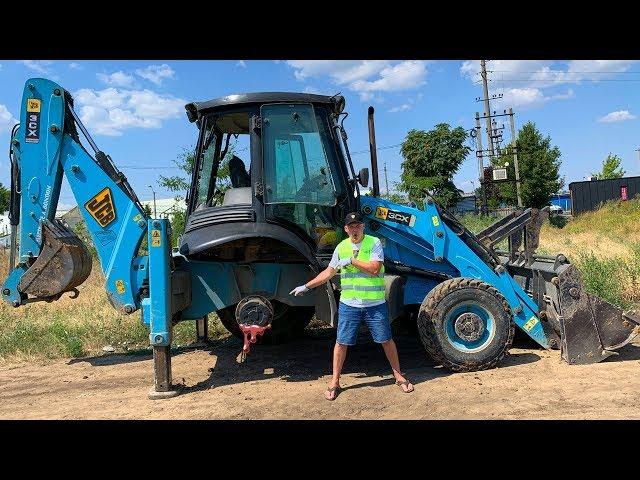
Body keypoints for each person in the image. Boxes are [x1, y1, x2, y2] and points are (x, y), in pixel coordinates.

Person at [290, 212, 414, 400]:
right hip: (349, 305)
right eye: (351, 226)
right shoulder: (341, 247)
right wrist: (307, 286)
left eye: (358, 225)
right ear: (346, 229)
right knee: (341, 342)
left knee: (386, 340)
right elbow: (329, 272)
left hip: (375, 304)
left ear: (363, 227)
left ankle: (398, 375)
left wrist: (352, 261)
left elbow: (374, 269)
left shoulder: (374, 243)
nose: (355, 229)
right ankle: (335, 381)